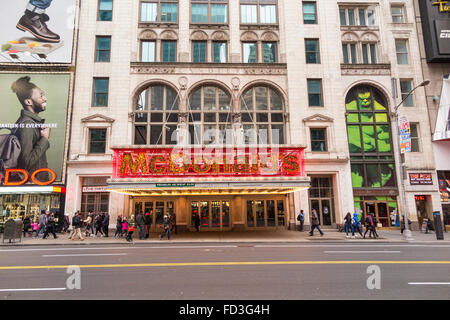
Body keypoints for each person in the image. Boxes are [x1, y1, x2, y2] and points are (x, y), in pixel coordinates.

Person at [11, 77, 51, 182]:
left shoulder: (31, 123)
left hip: (33, 183)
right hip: (31, 184)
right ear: (28, 101)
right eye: (41, 96)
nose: (45, 99)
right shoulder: (27, 125)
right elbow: (26, 162)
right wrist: (44, 139)